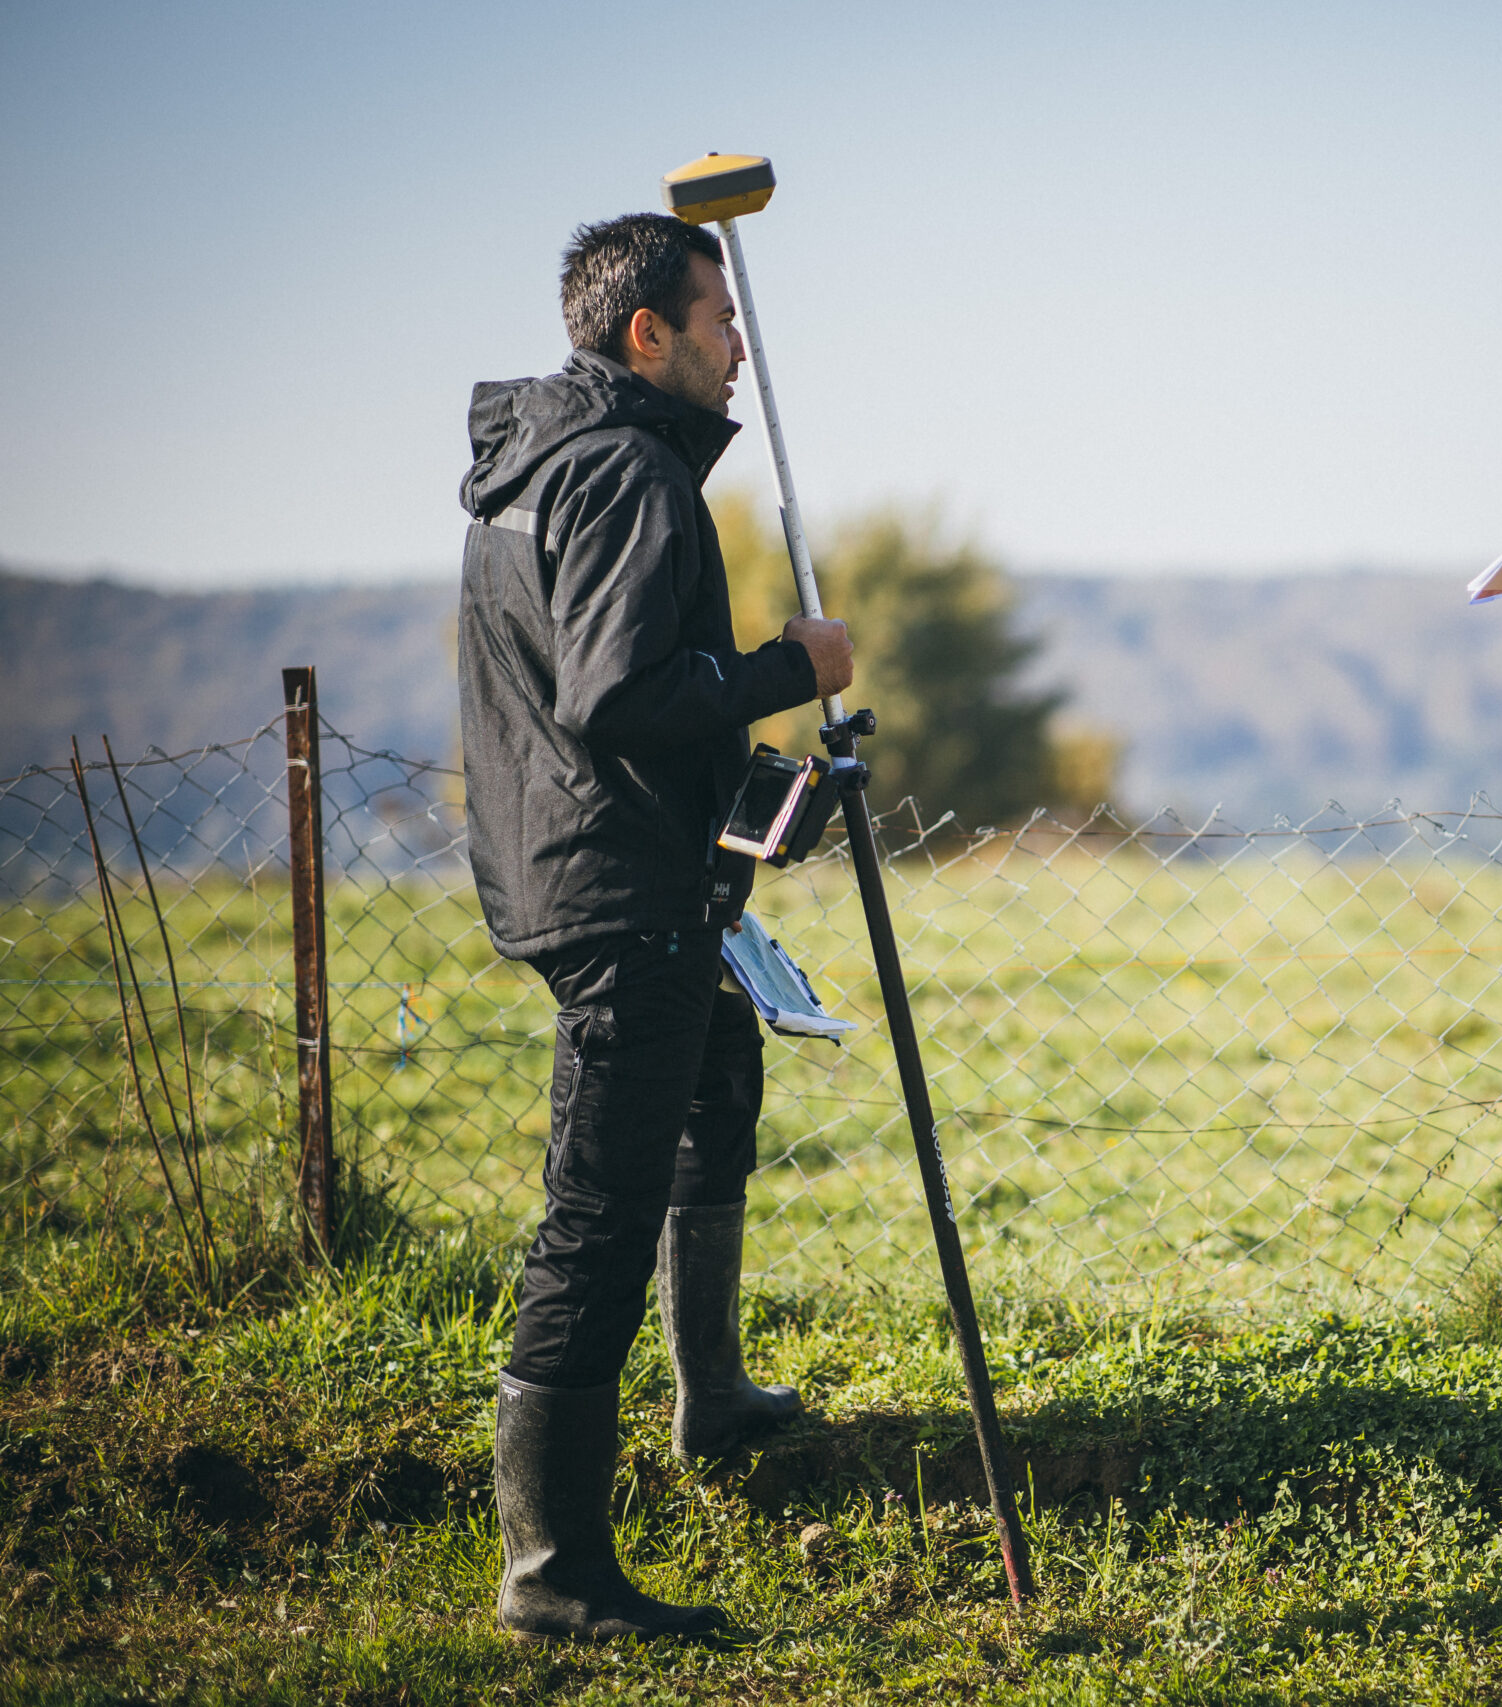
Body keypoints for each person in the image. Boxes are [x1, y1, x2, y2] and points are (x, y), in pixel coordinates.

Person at [456, 212, 855, 1639]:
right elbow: (618, 695)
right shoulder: (625, 473)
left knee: (719, 1084)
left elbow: (597, 697)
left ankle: (714, 1399)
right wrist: (784, 668)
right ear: (650, 335)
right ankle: (553, 1577)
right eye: (719, 316)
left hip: (608, 864)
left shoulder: (551, 462)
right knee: (598, 1215)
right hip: (621, 896)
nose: (738, 342)